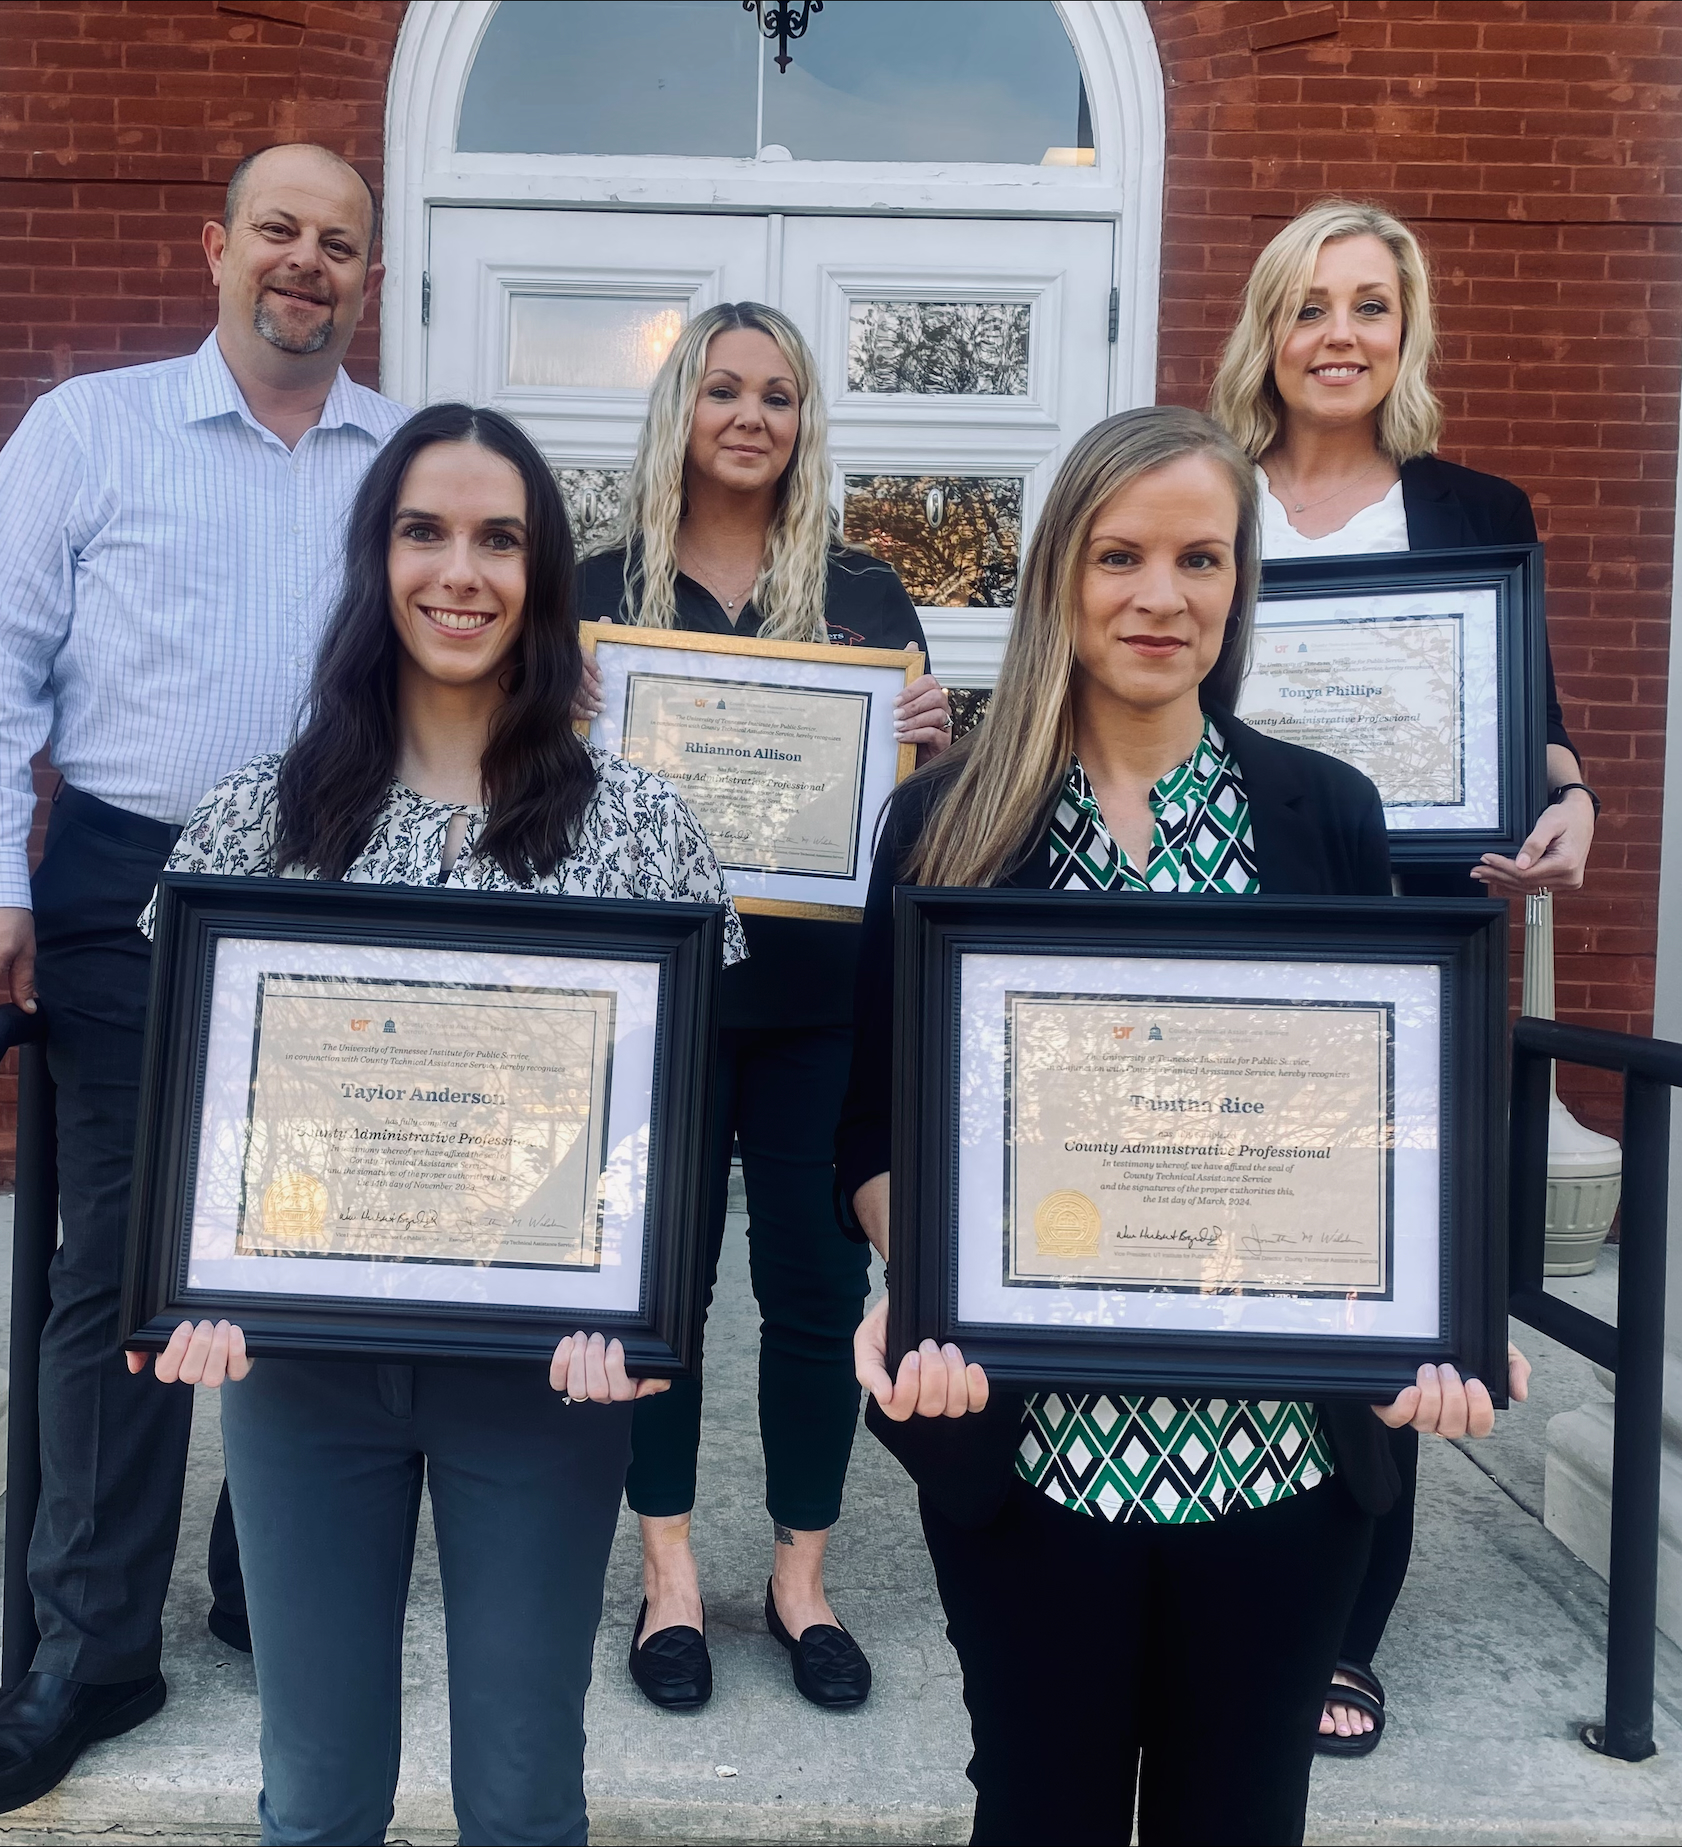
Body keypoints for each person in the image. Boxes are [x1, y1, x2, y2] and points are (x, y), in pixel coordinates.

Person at [834, 406, 1527, 1846]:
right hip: (1027, 1455)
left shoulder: (1324, 813)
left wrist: (1449, 1307)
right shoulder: (948, 826)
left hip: (1275, 1464)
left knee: (1240, 1818)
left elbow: (1389, 1120)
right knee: (1038, 1815)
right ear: (1056, 581)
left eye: (1200, 558)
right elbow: (869, 1134)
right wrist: (922, 1285)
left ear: (1239, 581)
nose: (1161, 597)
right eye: (1119, 557)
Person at [129, 401, 746, 1847]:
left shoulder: (641, 834)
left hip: (543, 1374)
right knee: (319, 1784)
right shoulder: (250, 826)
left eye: (498, 537)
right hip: (303, 1367)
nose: (457, 572)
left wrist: (651, 1323)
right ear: (375, 558)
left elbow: (679, 1133)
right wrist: (180, 1286)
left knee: (525, 1787)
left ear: (541, 577)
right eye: (422, 531)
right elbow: (192, 1108)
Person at [0, 144, 408, 1819]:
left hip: (350, 892)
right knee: (120, 1277)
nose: (304, 264)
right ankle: (85, 1653)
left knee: (322, 1255)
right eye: (277, 231)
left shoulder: (401, 456)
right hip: (128, 880)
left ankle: (262, 1569)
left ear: (369, 274)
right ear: (218, 247)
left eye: (337, 243)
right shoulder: (90, 431)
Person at [1208, 196, 1577, 1751]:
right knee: (1221, 1273)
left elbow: (1535, 729)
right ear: (1268, 333)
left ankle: (1343, 1634)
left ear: (1402, 332)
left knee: (1381, 1300)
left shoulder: (1479, 509)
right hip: (1219, 943)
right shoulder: (1208, 494)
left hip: (1414, 952)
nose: (1338, 335)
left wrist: (1572, 809)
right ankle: (1214, 1580)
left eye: (1367, 305)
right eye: (1309, 306)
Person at [575, 301, 953, 1710]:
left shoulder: (863, 593)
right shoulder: (596, 591)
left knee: (814, 1287)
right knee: (659, 1289)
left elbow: (915, 820)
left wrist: (932, 748)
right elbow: (537, 802)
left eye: (778, 396)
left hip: (818, 1000)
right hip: (657, 1007)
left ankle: (802, 1575)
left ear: (804, 425)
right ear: (679, 406)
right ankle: (668, 1573)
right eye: (723, 389)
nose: (750, 416)